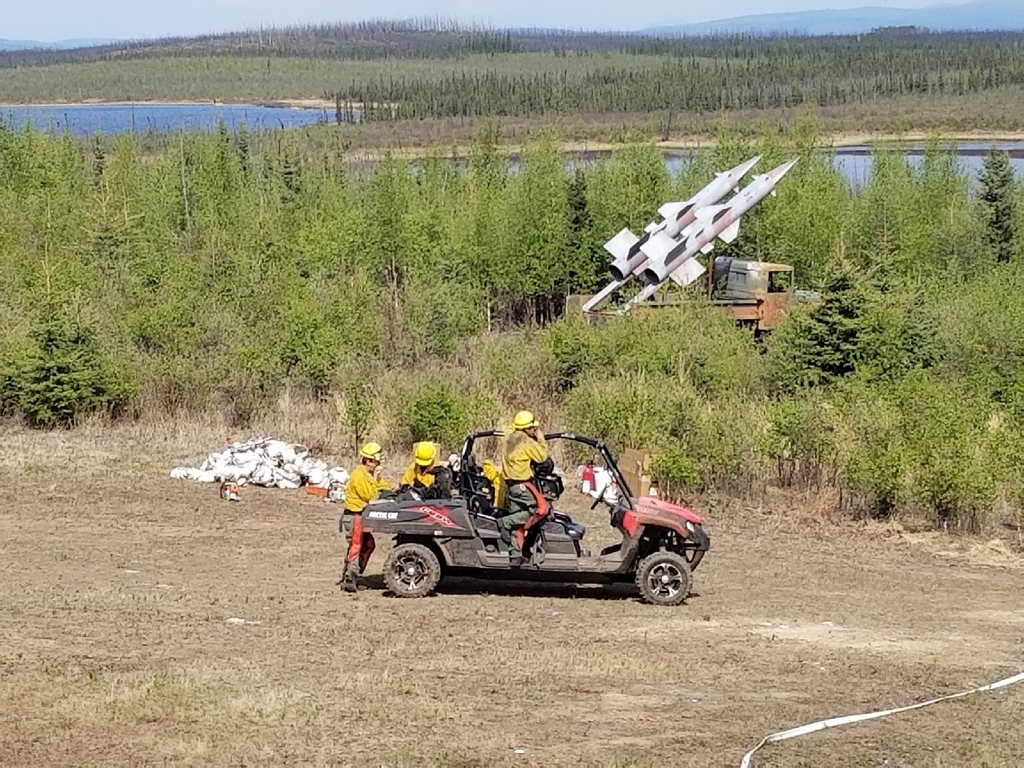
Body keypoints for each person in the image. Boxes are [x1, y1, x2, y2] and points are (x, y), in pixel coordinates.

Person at [339, 442, 394, 593]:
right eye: (376, 462)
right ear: (369, 461)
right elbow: (370, 495)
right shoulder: (360, 475)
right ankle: (350, 578)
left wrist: (394, 487)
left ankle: (351, 575)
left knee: (367, 545)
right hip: (355, 515)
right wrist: (375, 477)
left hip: (360, 516)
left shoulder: (368, 474)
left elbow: (380, 485)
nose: (377, 465)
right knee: (357, 546)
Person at [499, 410, 549, 565]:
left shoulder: (509, 437)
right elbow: (542, 457)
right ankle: (504, 522)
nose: (534, 430)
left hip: (510, 486)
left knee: (518, 521)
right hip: (521, 486)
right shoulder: (526, 442)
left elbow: (509, 428)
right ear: (527, 428)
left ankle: (515, 556)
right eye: (533, 428)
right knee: (536, 510)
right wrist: (541, 439)